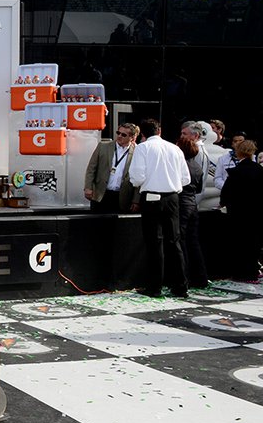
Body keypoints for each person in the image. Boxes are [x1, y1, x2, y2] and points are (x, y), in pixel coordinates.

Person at [128, 119, 190, 298]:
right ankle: (180, 286)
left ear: (142, 135)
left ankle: (154, 287)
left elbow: (137, 178)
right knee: (174, 241)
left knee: (155, 243)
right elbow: (185, 179)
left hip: (152, 198)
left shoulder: (143, 148)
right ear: (160, 131)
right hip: (172, 198)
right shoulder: (175, 148)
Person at [219, 139, 262, 282]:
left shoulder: (236, 172)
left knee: (239, 243)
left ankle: (240, 273)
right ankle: (253, 272)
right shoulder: (259, 170)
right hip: (256, 213)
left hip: (238, 213)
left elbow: (226, 192)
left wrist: (223, 204)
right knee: (254, 243)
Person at [177, 123, 210, 289]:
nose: (182, 136)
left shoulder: (195, 157)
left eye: (184, 134)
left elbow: (199, 186)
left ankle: (188, 278)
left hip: (186, 202)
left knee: (184, 241)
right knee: (192, 241)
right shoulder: (196, 161)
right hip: (191, 202)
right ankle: (199, 278)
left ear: (195, 136)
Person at [83, 123, 137, 212]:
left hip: (122, 197)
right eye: (118, 133)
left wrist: (136, 200)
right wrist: (88, 187)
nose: (119, 136)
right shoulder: (103, 146)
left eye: (124, 135)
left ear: (132, 137)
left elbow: (138, 177)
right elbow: (91, 168)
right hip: (101, 194)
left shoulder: (137, 152)